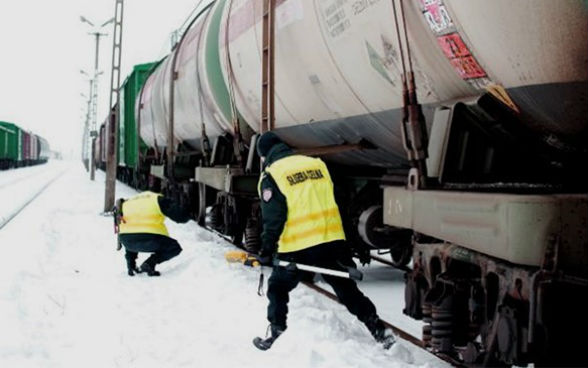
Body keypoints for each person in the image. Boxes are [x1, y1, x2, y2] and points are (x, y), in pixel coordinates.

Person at [253, 131, 395, 350]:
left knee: (278, 287)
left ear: (264, 156)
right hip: (330, 242)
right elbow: (339, 203)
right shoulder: (317, 165)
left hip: (297, 247)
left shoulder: (272, 175)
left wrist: (265, 249)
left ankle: (276, 330)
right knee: (347, 290)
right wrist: (345, 248)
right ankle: (379, 329)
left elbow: (274, 219)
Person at [116, 191, 190, 276]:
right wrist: (188, 212)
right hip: (151, 240)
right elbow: (180, 217)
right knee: (174, 247)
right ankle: (150, 263)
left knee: (131, 235)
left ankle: (131, 267)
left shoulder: (128, 202)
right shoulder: (157, 199)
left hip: (127, 242)